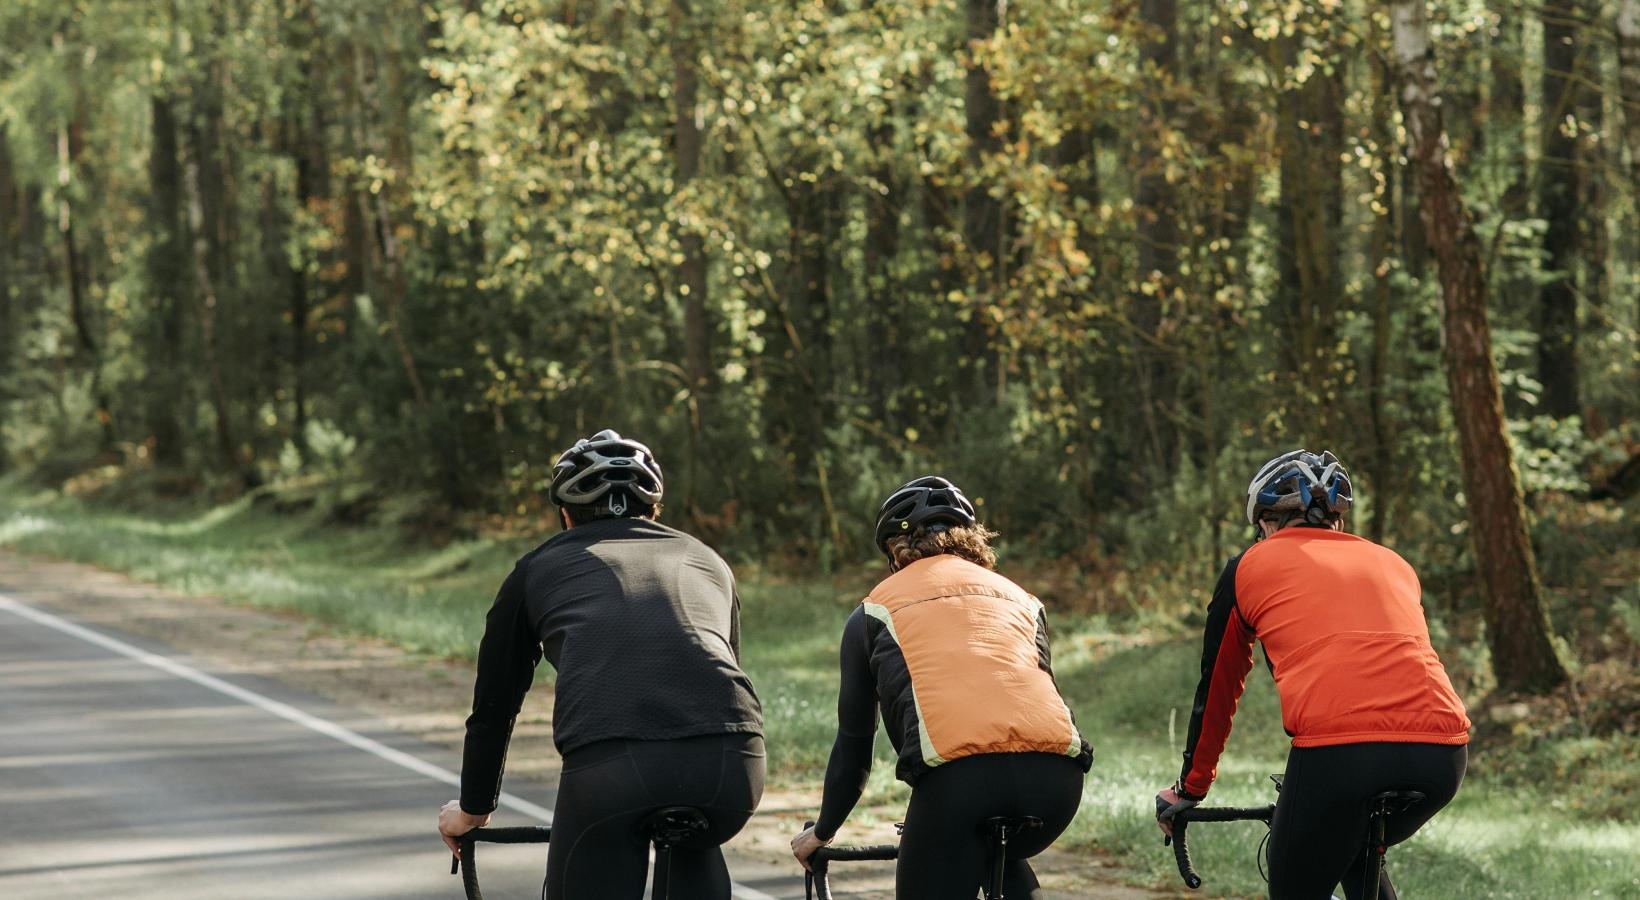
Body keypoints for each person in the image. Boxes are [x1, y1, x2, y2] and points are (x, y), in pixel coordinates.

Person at [437, 429, 764, 900]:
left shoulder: (536, 569)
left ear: (566, 515)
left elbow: (494, 705)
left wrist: (473, 809)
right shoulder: (708, 560)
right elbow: (718, 667)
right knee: (695, 842)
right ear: (653, 511)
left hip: (612, 769)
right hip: (733, 764)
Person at [1153, 450, 1471, 900]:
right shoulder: (1395, 563)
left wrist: (1191, 787)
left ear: (1264, 522)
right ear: (1336, 520)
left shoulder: (1247, 566)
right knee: (1354, 846)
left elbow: (1219, 688)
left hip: (1341, 753)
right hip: (1443, 755)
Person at [790, 476, 1092, 899]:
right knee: (991, 851)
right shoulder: (1022, 598)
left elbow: (854, 747)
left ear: (896, 551)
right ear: (971, 540)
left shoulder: (874, 610)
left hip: (961, 785)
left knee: (952, 850)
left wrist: (822, 833)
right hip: (1057, 782)